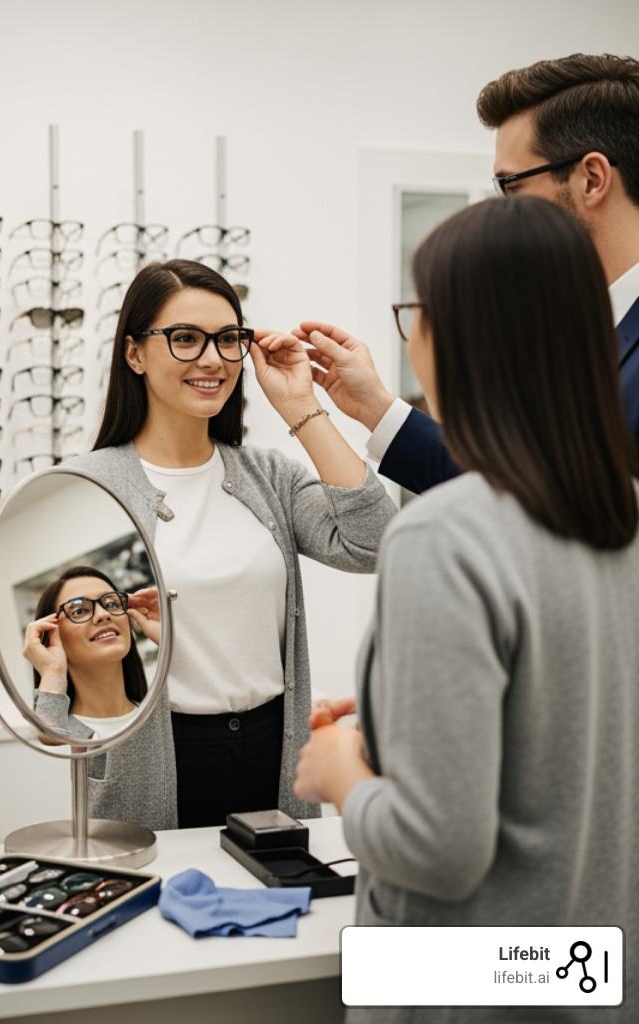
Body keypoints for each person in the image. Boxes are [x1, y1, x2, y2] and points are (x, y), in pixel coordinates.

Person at [293, 196, 639, 1023]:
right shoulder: (622, 512)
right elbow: (563, 746)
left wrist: (344, 775)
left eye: (415, 313)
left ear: (458, 334)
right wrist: (399, 727)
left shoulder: (444, 537)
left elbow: (440, 852)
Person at [63, 259, 395, 829]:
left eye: (228, 339)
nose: (212, 359)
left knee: (281, 913)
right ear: (134, 353)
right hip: (157, 758)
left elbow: (376, 543)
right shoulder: (89, 488)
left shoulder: (268, 476)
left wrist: (299, 406)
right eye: (185, 339)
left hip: (274, 750)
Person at [297, 53, 639, 496]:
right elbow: (516, 497)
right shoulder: (564, 330)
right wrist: (375, 408)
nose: (502, 209)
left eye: (511, 184)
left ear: (591, 179)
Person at [25, 565, 154, 743]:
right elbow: (51, 738)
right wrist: (52, 672)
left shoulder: (160, 716)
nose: (103, 614)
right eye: (79, 610)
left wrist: (166, 636)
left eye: (111, 604)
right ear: (53, 636)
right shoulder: (63, 733)